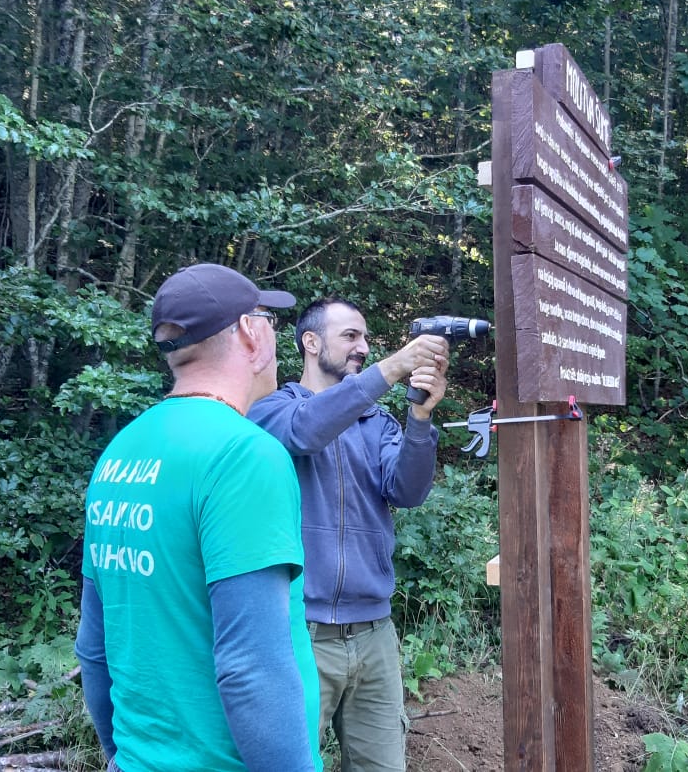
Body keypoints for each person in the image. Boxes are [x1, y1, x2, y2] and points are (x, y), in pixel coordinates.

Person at [74, 263, 321, 772]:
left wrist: (121, 755)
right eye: (268, 321)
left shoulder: (121, 451)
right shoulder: (244, 455)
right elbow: (252, 670)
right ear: (251, 334)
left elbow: (93, 648)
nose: (274, 335)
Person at [248, 298, 449, 772]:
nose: (361, 347)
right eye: (349, 337)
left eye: (365, 338)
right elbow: (306, 433)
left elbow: (407, 490)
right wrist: (393, 367)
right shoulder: (271, 411)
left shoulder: (375, 422)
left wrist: (419, 419)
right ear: (311, 342)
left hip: (375, 634)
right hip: (302, 633)